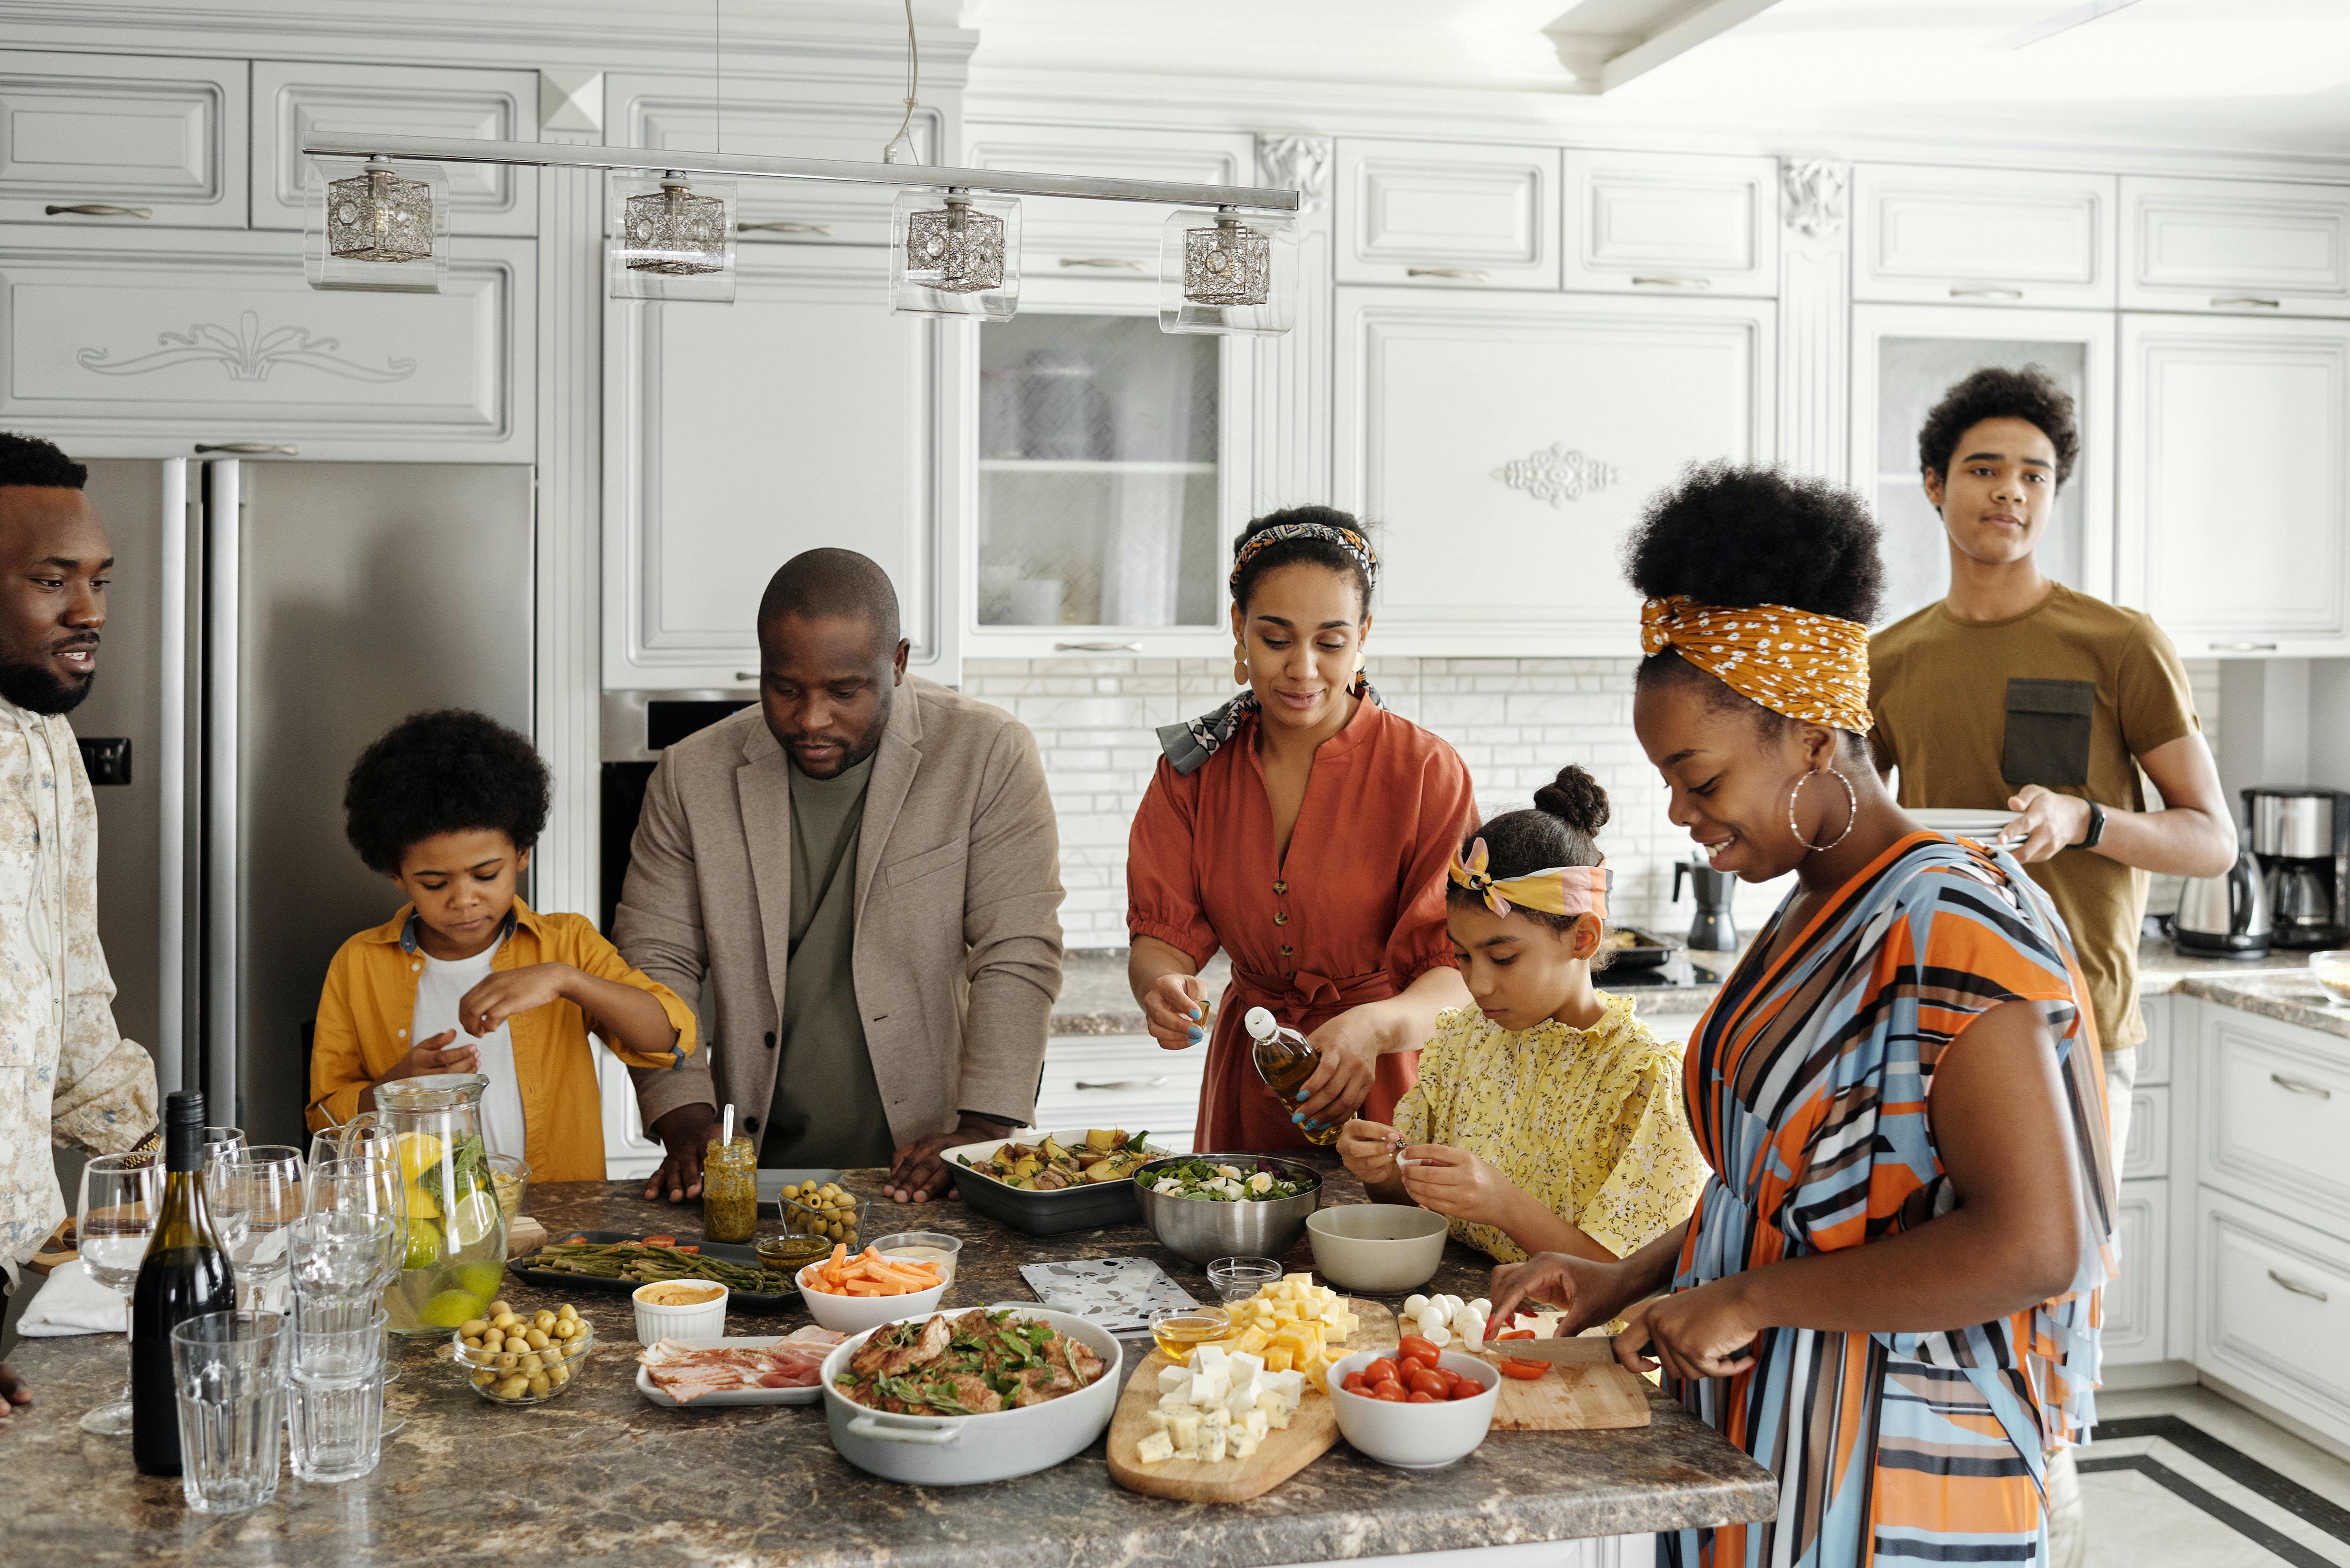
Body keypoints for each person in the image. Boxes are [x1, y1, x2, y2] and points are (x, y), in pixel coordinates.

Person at [1490, 464, 2118, 1568]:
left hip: (1895, 1469)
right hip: (1771, 1432)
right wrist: (1623, 1277)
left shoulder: (1950, 920)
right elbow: (1796, 1193)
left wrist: (1750, 1297)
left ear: (1815, 737)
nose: (1681, 815)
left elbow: (2037, 1241)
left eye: (1697, 776)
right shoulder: (1813, 906)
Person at [1870, 365, 2235, 1178]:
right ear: (1934, 484)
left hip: (2073, 1017)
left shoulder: (2119, 643)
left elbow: (2213, 841)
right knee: (1927, 1288)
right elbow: (1851, 828)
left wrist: (2085, 820)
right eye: (1984, 469)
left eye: (2034, 474)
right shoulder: (1886, 660)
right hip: (1931, 1015)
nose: (2011, 492)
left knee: (2064, 1286)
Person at [618, 548, 1064, 1205]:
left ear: (899, 663)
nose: (811, 719)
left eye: (844, 691)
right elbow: (655, 958)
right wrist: (683, 1114)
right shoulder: (691, 775)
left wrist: (983, 1131)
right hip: (756, 1169)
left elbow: (1017, 950)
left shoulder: (987, 754)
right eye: (785, 687)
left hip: (928, 1165)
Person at [1126, 507, 1476, 1150]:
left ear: (1364, 634)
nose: (1304, 669)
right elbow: (1161, 937)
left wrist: (1372, 1029)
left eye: (1331, 642)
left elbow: (1458, 974)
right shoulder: (1192, 774)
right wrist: (1162, 988)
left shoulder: (1427, 772)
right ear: (1239, 628)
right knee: (1241, 1248)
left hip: (1392, 1086)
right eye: (1277, 639)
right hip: (1250, 1079)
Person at [1337, 765, 1705, 1279]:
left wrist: (1503, 1203)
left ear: (1582, 937)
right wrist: (1380, 1174)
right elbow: (1416, 1193)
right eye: (1462, 957)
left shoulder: (1642, 1081)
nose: (1477, 984)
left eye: (1503, 957)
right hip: (1469, 1317)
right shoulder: (1465, 1040)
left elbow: (1631, 1281)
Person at [306, 709, 698, 1182]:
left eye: (486, 875)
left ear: (523, 851)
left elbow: (670, 1039)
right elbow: (325, 1122)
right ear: (396, 874)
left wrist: (565, 980)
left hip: (558, 1219)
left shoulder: (565, 943)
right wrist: (398, 1088)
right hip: (417, 1221)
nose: (464, 899)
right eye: (433, 883)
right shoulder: (358, 964)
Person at [0, 431, 159, 1420]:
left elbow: (66, 993)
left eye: (99, 579)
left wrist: (174, 1175)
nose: (88, 611)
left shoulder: (48, 746)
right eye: (51, 580)